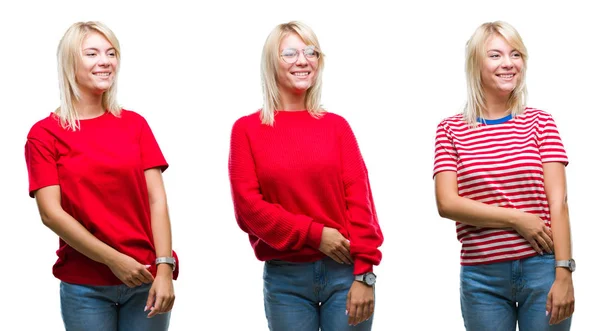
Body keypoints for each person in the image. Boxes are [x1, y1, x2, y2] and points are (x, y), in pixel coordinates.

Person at [228, 21, 383, 330]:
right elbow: (249, 210)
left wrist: (365, 272)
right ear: (272, 62)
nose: (303, 60)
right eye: (290, 53)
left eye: (310, 52)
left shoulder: (337, 127)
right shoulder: (246, 130)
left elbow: (361, 204)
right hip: (286, 281)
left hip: (346, 274)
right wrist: (315, 235)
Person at [24, 21, 178, 331]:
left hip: (146, 279)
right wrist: (113, 259)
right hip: (85, 287)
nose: (105, 61)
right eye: (92, 53)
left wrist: (164, 268)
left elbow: (156, 199)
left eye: (111, 53)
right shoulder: (44, 135)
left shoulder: (135, 125)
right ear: (70, 63)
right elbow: (50, 214)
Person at [433, 21, 575, 330]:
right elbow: (447, 203)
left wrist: (564, 272)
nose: (508, 63)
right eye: (495, 55)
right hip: (481, 278)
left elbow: (559, 202)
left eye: (515, 54)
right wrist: (517, 218)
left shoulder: (541, 123)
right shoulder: (450, 129)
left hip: (542, 269)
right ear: (476, 64)